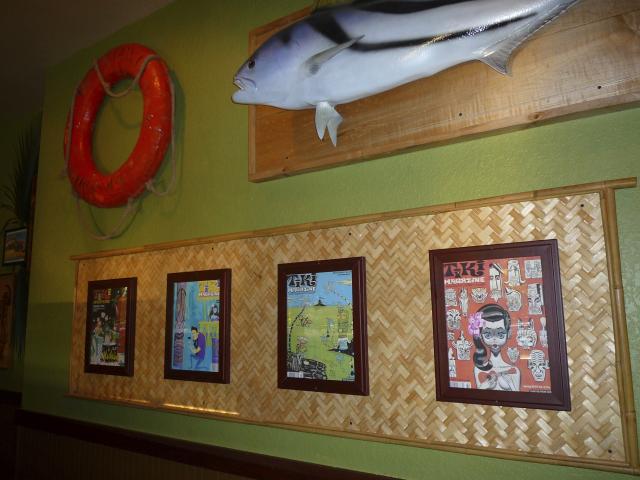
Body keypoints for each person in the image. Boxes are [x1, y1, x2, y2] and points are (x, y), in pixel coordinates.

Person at [470, 303, 520, 391]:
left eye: (500, 334)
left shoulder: (514, 370)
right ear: (480, 335)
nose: (494, 339)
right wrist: (483, 386)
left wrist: (511, 384)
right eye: (488, 334)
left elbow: (518, 395)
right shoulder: (478, 369)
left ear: (508, 333)